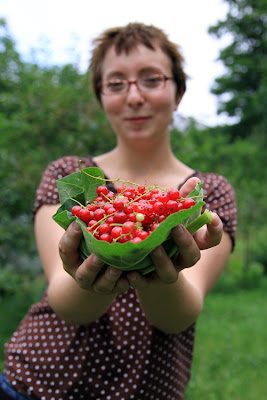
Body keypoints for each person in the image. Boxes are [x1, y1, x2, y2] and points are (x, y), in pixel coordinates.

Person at [1, 22, 237, 400]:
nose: (134, 97)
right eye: (115, 83)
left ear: (178, 92)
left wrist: (162, 274)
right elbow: (65, 302)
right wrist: (92, 275)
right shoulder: (70, 178)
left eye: (152, 79)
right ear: (101, 97)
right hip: (38, 383)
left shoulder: (205, 196)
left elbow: (178, 315)